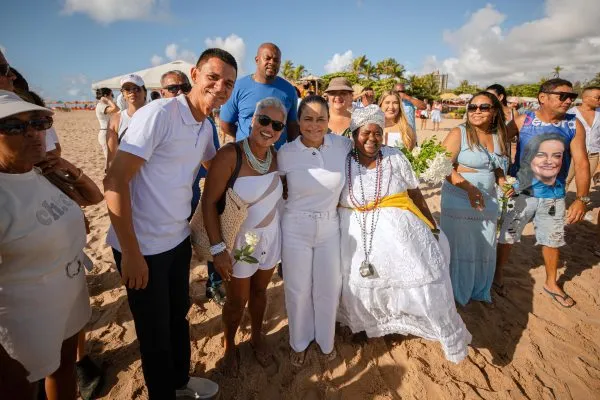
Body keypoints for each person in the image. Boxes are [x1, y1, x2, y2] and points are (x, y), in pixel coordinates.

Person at [104, 48, 238, 399]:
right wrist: (131, 253)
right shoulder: (159, 114)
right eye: (213, 77)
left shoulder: (205, 125)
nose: (220, 87)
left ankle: (180, 382)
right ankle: (164, 393)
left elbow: (215, 167)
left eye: (228, 83)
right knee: (153, 332)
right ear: (194, 75)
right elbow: (114, 181)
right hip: (141, 245)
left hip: (177, 239)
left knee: (177, 317)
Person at [337, 105, 471, 363]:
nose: (372, 138)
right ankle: (366, 326)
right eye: (365, 133)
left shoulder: (395, 156)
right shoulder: (343, 160)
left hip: (399, 233)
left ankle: (401, 322)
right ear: (353, 134)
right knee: (360, 281)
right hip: (354, 231)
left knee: (414, 275)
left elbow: (415, 193)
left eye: (378, 133)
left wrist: (431, 225)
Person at [0, 90, 103, 400]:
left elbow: (93, 198)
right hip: (23, 324)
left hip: (66, 302)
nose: (33, 133)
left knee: (64, 372)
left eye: (39, 122)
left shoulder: (39, 172)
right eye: (14, 126)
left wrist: (63, 164)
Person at [202, 97, 284, 375]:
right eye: (264, 120)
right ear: (252, 120)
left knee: (260, 292)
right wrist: (217, 249)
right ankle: (229, 344)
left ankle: (257, 336)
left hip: (271, 239)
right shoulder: (230, 155)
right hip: (239, 242)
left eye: (277, 125)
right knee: (237, 301)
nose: (269, 128)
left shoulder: (277, 157)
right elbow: (208, 202)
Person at [497, 78, 590, 307]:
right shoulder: (524, 121)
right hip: (520, 192)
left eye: (572, 97)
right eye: (563, 96)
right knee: (507, 236)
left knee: (553, 240)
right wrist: (499, 175)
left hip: (554, 194)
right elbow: (496, 144)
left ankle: (551, 282)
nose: (568, 101)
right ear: (543, 97)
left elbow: (581, 163)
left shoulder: (572, 125)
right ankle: (497, 276)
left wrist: (581, 199)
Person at [278, 95, 352, 366]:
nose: (314, 125)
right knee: (297, 288)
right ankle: (298, 342)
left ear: (328, 120)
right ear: (298, 121)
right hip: (295, 226)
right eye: (308, 119)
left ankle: (325, 340)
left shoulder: (343, 145)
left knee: (329, 287)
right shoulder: (286, 152)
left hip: (330, 226)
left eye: (321, 118)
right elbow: (276, 188)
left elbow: (371, 151)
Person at [440, 92, 510, 305]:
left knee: (483, 244)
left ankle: (477, 288)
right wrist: (470, 189)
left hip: (487, 199)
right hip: (459, 198)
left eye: (484, 107)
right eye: (473, 107)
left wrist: (503, 182)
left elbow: (496, 168)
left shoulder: (499, 135)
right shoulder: (458, 133)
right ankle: (455, 291)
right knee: (460, 245)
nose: (477, 111)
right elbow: (442, 167)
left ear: (495, 111)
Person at [220, 42, 299, 149]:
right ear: (257, 60)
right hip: (245, 156)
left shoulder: (289, 90)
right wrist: (249, 139)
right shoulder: (238, 87)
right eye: (267, 58)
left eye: (276, 60)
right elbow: (226, 124)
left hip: (277, 158)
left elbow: (292, 126)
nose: (272, 62)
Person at [105, 74, 146, 169]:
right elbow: (111, 156)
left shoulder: (156, 115)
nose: (132, 92)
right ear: (123, 94)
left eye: (136, 88)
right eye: (127, 89)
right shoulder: (116, 120)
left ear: (145, 92)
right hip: (126, 173)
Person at [566, 86, 600, 190]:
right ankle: (556, 204)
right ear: (585, 98)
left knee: (585, 181)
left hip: (593, 154)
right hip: (572, 154)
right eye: (597, 97)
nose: (599, 100)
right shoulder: (570, 114)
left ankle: (580, 203)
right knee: (565, 180)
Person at [94, 87, 119, 159]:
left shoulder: (104, 106)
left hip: (108, 132)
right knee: (109, 158)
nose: (112, 97)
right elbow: (116, 109)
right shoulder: (101, 106)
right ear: (105, 96)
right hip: (105, 133)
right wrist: (108, 100)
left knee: (112, 157)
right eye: (112, 95)